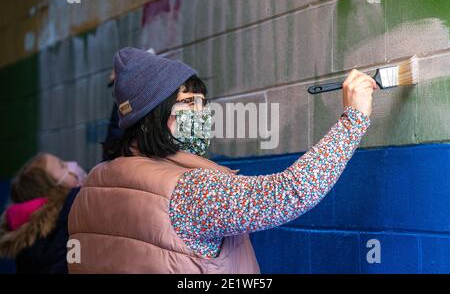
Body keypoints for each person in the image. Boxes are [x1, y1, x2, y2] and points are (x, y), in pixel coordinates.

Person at [68, 47, 377, 273]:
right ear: (151, 118)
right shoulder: (188, 191)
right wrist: (354, 119)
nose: (202, 114)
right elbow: (289, 193)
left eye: (203, 103)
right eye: (189, 102)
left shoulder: (90, 190)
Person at [0, 153, 85, 273]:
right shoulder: (73, 208)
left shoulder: (26, 245)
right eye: (62, 166)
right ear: (53, 189)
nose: (70, 166)